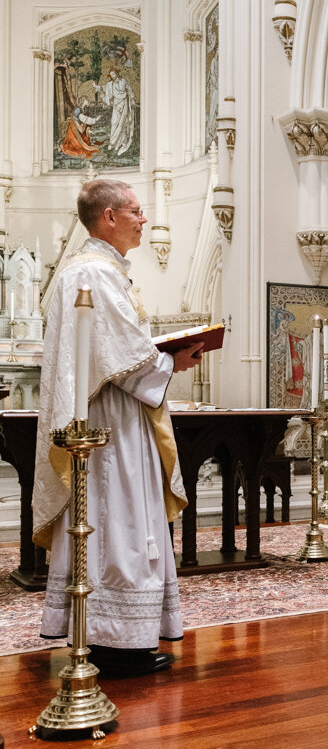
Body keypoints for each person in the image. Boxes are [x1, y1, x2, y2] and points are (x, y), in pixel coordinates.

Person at [33, 180, 203, 677]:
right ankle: (115, 643)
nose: (143, 219)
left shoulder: (96, 271)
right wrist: (174, 360)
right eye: (135, 211)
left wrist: (163, 358)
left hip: (114, 415)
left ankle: (113, 636)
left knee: (116, 522)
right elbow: (125, 360)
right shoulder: (94, 273)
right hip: (110, 424)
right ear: (108, 217)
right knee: (120, 521)